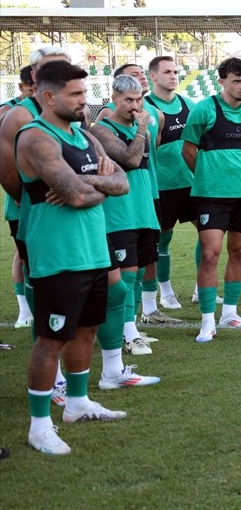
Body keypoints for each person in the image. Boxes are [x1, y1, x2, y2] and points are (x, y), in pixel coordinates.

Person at [17, 61, 130, 455]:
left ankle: (78, 404)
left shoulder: (85, 137)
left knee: (87, 329)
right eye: (77, 94)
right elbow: (78, 196)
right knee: (51, 339)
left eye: (85, 93)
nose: (85, 101)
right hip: (58, 255)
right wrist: (92, 186)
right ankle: (39, 425)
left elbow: (122, 182)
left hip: (94, 251)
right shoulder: (35, 138)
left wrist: (88, 182)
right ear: (48, 96)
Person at [87, 74, 162, 387]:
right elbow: (131, 160)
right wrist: (143, 127)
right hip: (119, 214)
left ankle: (128, 330)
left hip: (143, 209)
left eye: (138, 100)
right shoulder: (102, 129)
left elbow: (148, 163)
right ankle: (129, 335)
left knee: (136, 273)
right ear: (114, 99)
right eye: (128, 100)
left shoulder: (140, 127)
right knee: (125, 276)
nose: (135, 106)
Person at [182, 57, 241, 341]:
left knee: (239, 251)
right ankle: (207, 320)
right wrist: (207, 176)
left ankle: (230, 313)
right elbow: (188, 151)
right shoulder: (203, 109)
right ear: (222, 82)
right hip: (210, 195)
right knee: (210, 252)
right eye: (236, 81)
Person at [1, 48, 72, 349]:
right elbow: (6, 171)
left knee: (75, 275)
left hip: (73, 211)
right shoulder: (19, 115)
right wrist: (31, 197)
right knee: (40, 277)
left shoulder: (74, 110)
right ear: (34, 75)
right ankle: (43, 340)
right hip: (34, 211)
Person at [142, 55, 195, 313]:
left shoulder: (189, 104)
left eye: (175, 71)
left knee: (209, 235)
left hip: (191, 183)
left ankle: (201, 288)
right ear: (153, 76)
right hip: (162, 186)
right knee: (162, 241)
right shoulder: (147, 107)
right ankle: (166, 291)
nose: (173, 76)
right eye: (167, 72)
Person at [1, 64, 35, 329]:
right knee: (22, 255)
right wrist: (18, 194)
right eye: (31, 88)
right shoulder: (9, 113)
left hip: (45, 201)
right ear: (22, 87)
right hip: (21, 199)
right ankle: (24, 309)